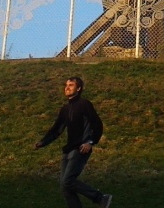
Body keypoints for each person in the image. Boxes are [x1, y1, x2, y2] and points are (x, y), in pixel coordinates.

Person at [35, 76, 113, 208]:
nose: (67, 87)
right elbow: (57, 129)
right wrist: (43, 142)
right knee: (65, 186)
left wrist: (90, 142)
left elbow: (97, 126)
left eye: (71, 85)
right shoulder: (65, 109)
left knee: (68, 181)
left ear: (79, 88)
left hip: (80, 148)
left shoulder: (85, 104)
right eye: (66, 85)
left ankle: (100, 197)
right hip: (68, 150)